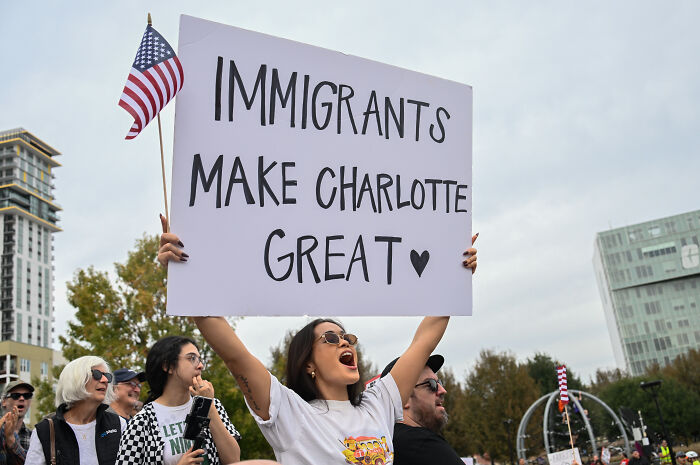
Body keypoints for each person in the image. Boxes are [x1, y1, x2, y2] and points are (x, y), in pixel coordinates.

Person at [157, 217, 478, 465]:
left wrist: (454, 275)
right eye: (330, 338)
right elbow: (234, 354)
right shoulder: (288, 412)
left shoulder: (378, 403)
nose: (345, 343)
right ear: (307, 363)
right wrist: (186, 274)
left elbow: (425, 340)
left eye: (347, 337)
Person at [116, 336, 241, 465]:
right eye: (191, 358)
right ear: (168, 366)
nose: (200, 366)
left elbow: (234, 460)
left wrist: (209, 407)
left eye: (199, 359)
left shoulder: (213, 405)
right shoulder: (142, 422)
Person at [25, 356, 126, 465]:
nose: (105, 380)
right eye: (97, 374)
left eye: (107, 376)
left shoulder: (118, 424)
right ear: (75, 380)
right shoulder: (45, 431)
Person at [379, 354, 463, 465]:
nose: (443, 390)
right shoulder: (419, 443)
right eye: (431, 384)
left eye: (440, 383)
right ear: (403, 398)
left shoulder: (381, 443)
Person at [0, 380, 34, 465]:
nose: (22, 398)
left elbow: (31, 462)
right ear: (4, 401)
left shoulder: (34, 436)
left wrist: (11, 439)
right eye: (16, 396)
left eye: (27, 396)